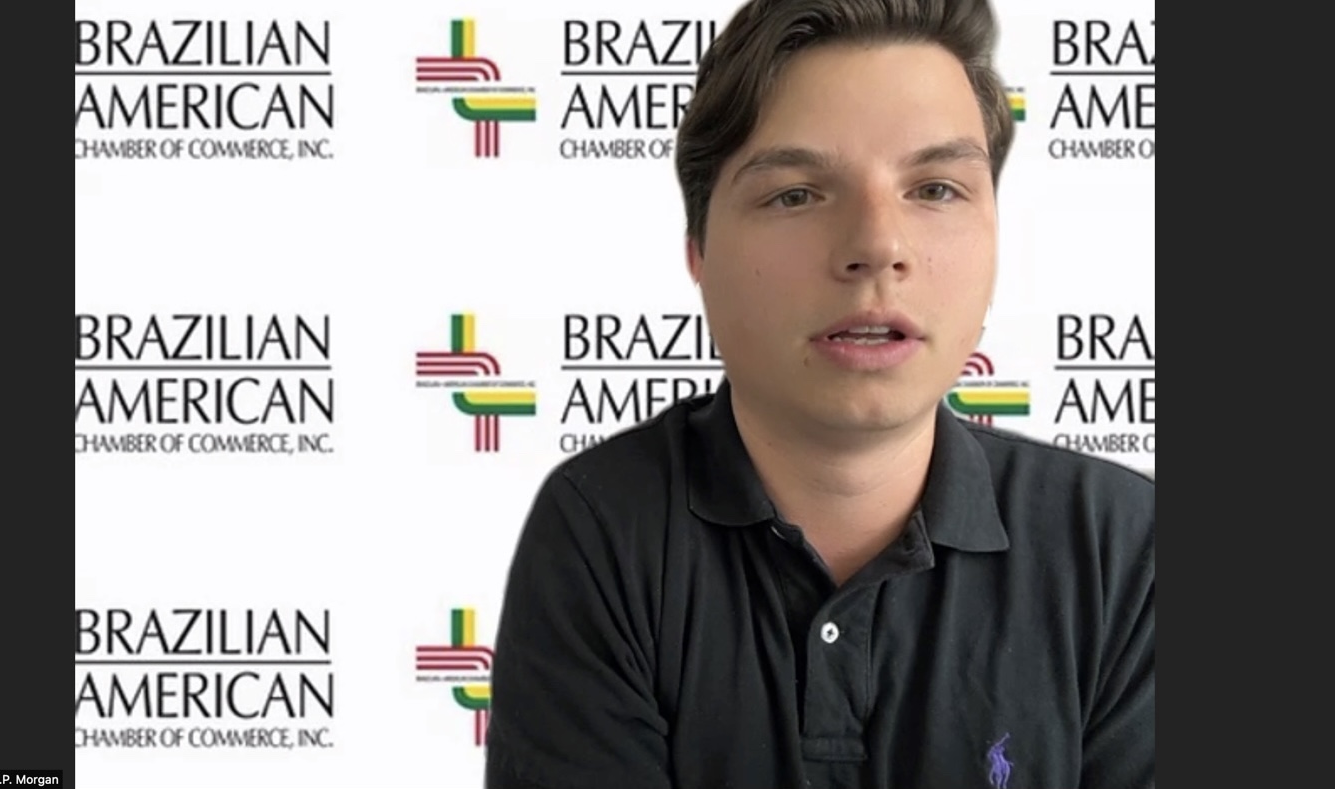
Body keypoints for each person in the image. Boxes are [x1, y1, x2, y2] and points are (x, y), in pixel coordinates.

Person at [484, 0, 1155, 787]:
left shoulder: (1123, 552)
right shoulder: (603, 532)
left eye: (936, 188)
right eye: (797, 194)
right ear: (698, 249)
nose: (877, 245)